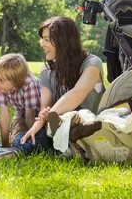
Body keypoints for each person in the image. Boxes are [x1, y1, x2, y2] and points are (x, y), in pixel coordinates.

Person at [20, 16, 105, 151]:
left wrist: (45, 118)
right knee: (27, 138)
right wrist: (43, 116)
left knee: (38, 139)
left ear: (64, 41)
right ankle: (21, 149)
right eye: (43, 39)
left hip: (91, 128)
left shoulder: (92, 63)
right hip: (60, 126)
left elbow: (77, 94)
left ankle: (25, 148)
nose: (42, 44)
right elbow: (46, 108)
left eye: (47, 40)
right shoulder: (46, 72)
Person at [0, 53, 42, 155]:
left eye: (1, 80)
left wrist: (33, 135)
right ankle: (3, 148)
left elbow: (30, 116)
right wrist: (5, 144)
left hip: (39, 116)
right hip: (21, 113)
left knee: (23, 140)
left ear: (15, 80)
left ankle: (24, 147)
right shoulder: (0, 87)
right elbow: (4, 114)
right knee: (14, 140)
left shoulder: (30, 84)